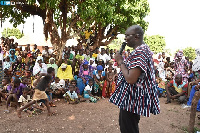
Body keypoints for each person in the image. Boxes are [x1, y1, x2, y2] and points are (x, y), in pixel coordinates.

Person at [109, 25, 160, 133]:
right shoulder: (141, 50)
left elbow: (131, 79)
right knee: (128, 127)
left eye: (127, 35)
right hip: (131, 98)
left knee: (128, 129)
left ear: (136, 37)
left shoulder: (140, 53)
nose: (125, 38)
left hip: (132, 100)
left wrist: (120, 61)